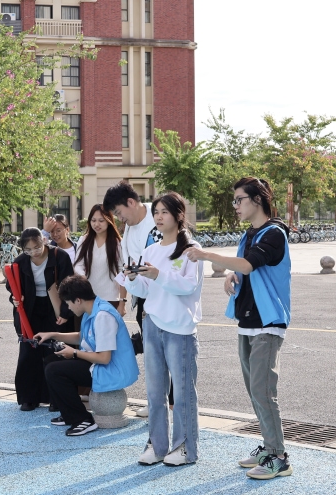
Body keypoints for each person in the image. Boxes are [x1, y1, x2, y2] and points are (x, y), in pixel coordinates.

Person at [184, 177, 293, 480]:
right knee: (255, 391)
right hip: (248, 321)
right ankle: (268, 447)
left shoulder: (274, 234)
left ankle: (279, 457)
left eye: (239, 199)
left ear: (257, 199)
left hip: (269, 322)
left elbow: (249, 264)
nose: (235, 206)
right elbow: (243, 267)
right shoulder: (250, 234)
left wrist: (206, 255)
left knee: (263, 390)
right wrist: (231, 274)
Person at [119, 192, 204, 467]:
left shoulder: (191, 249)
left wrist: (158, 274)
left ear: (179, 215)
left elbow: (188, 286)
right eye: (156, 211)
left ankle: (185, 447)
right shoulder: (152, 250)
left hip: (180, 328)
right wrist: (133, 279)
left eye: (164, 212)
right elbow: (145, 290)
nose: (158, 216)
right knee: (155, 392)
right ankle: (157, 445)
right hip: (153, 323)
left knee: (183, 393)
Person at [33, 275, 139, 436]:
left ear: (78, 300)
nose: (68, 308)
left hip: (113, 370)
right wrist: (53, 335)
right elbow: (82, 337)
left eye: (68, 303)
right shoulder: (92, 309)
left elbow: (104, 358)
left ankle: (83, 420)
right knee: (50, 361)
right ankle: (69, 413)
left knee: (54, 370)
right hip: (102, 364)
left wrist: (74, 352)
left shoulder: (103, 316)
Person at [103, 181, 163, 417]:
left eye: (119, 212)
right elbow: (129, 263)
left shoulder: (156, 220)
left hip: (163, 296)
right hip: (143, 297)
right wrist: (124, 297)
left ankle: (167, 404)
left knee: (165, 353)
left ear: (131, 202)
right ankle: (156, 401)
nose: (120, 219)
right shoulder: (131, 226)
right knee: (152, 353)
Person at [7, 227, 75, 412]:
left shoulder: (59, 256)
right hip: (31, 309)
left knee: (55, 351)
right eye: (28, 250)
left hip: (54, 308)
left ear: (44, 241)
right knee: (29, 352)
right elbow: (11, 286)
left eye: (37, 247)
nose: (34, 253)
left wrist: (65, 313)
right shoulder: (21, 261)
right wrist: (15, 298)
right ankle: (29, 398)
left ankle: (56, 398)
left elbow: (69, 285)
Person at [73, 205, 127, 317]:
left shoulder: (117, 243)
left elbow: (122, 272)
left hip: (110, 299)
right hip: (86, 298)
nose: (96, 224)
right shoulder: (84, 240)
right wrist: (82, 277)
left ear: (109, 221)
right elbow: (78, 265)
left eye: (101, 221)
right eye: (93, 220)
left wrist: (122, 303)